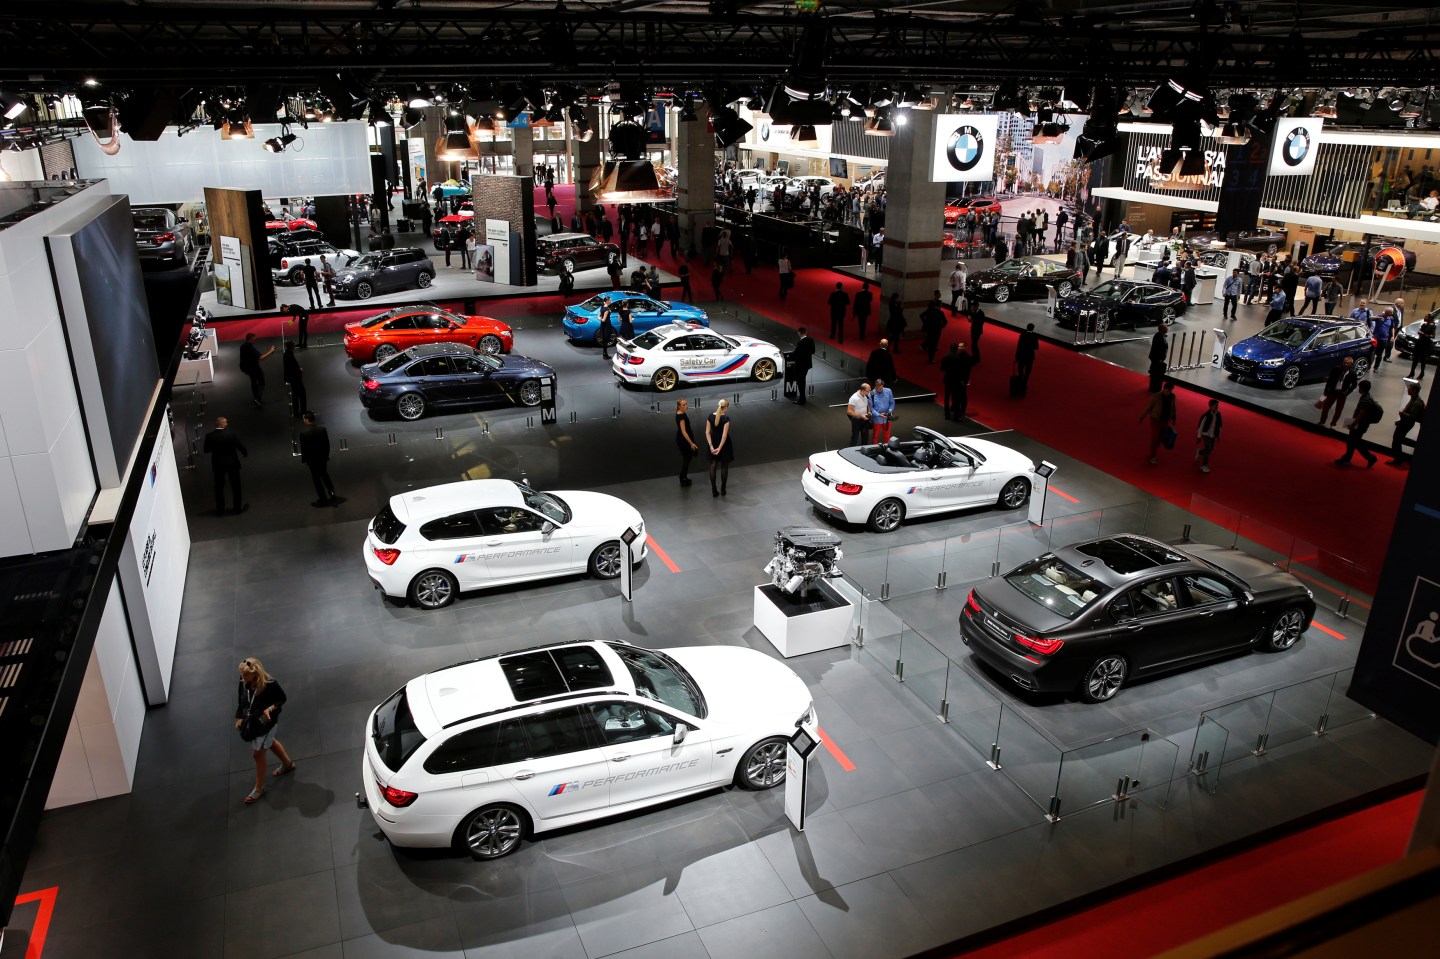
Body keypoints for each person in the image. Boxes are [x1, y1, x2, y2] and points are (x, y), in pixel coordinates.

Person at [235, 657, 296, 805]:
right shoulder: (244, 682)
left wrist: (270, 709)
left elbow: (282, 698)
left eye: (246, 674)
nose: (243, 677)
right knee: (270, 742)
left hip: (266, 722)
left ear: (255, 673)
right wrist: (241, 717)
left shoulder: (270, 684)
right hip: (253, 721)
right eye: (242, 674)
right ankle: (288, 764)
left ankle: (259, 789)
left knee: (258, 754)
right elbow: (241, 700)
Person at [203, 416, 247, 515]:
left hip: (218, 465)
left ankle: (220, 509)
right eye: (225, 422)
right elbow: (239, 446)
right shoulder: (231, 435)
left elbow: (206, 450)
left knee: (219, 488)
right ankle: (237, 508)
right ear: (221, 424)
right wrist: (244, 453)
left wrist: (216, 447)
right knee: (236, 487)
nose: (227, 424)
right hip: (232, 464)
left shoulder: (210, 436)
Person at [1335, 380, 1381, 467]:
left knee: (1353, 442)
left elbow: (1361, 414)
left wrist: (1353, 423)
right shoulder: (1367, 397)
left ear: (1362, 388)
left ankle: (1369, 458)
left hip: (1360, 424)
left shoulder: (1365, 399)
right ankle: (1349, 458)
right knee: (1354, 442)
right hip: (1362, 424)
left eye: (1359, 387)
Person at [1387, 381, 1426, 465]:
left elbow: (1412, 416)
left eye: (1410, 389)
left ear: (1414, 390)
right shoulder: (1414, 398)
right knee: (1398, 439)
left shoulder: (1416, 402)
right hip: (1405, 422)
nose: (1408, 390)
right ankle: (1399, 458)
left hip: (1407, 423)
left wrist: (1402, 413)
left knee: (1397, 440)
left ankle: (1398, 459)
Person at [1141, 380, 1178, 464]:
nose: (1168, 393)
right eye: (1167, 391)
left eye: (1170, 391)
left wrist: (1174, 418)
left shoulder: (1172, 397)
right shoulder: (1156, 396)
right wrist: (1142, 416)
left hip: (1165, 420)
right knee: (1155, 437)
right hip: (1155, 420)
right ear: (1164, 389)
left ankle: (1153, 451)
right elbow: (1148, 407)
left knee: (1160, 438)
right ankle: (1153, 456)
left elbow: (1173, 408)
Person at [238, 333, 275, 408]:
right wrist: (270, 351)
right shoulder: (251, 348)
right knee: (262, 382)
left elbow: (242, 358)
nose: (255, 340)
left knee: (253, 382)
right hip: (254, 367)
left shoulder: (242, 346)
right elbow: (261, 358)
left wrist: (244, 369)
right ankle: (257, 398)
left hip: (246, 368)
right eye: (254, 339)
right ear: (250, 339)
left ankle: (256, 397)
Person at [705, 398, 733, 497]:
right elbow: (724, 436)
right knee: (724, 466)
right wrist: (720, 448)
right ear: (726, 407)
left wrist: (711, 446)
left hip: (713, 441)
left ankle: (714, 490)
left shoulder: (710, 416)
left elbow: (707, 432)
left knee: (713, 465)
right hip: (724, 444)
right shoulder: (726, 418)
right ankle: (723, 489)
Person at [940, 341, 972, 420]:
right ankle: (956, 414)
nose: (959, 348)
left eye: (961, 346)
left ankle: (955, 413)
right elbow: (961, 370)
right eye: (959, 346)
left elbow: (967, 371)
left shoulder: (966, 358)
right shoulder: (958, 357)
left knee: (958, 397)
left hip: (953, 380)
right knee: (956, 397)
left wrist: (965, 380)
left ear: (965, 347)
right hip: (957, 381)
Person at [674, 398, 698, 486]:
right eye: (683, 405)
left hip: (684, 437)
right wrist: (691, 443)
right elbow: (684, 432)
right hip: (684, 439)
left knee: (687, 458)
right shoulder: (681, 417)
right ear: (679, 406)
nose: (686, 406)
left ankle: (683, 476)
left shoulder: (681, 413)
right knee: (687, 458)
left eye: (686, 404)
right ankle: (683, 477)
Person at [1195, 398, 1223, 473]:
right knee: (1208, 448)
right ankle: (1204, 465)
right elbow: (1201, 426)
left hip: (1213, 435)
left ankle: (1200, 452)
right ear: (1210, 406)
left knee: (1210, 449)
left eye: (1217, 406)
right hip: (1205, 434)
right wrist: (1199, 436)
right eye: (1215, 406)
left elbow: (1220, 426)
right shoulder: (1206, 415)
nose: (1217, 407)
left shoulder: (1218, 415)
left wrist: (1219, 435)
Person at [920, 293, 947, 363]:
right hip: (937, 330)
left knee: (929, 339)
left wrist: (925, 322)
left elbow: (921, 315)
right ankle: (931, 358)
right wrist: (942, 326)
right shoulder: (940, 313)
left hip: (930, 328)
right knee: (934, 344)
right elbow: (945, 321)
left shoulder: (930, 310)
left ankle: (926, 349)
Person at [791, 327, 815, 404]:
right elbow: (813, 351)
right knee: (802, 380)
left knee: (800, 382)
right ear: (806, 332)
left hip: (800, 365)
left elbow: (795, 353)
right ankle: (802, 397)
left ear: (799, 333)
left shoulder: (800, 343)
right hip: (807, 364)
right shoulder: (811, 340)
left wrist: (788, 356)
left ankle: (802, 399)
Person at [281, 341, 305, 417]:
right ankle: (302, 411)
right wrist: (299, 370)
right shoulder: (289, 355)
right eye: (294, 345)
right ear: (291, 346)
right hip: (295, 378)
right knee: (301, 394)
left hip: (291, 378)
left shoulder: (287, 353)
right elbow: (292, 367)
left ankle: (296, 412)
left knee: (295, 395)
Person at [870, 378, 896, 444]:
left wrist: (890, 411)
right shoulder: (871, 394)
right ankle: (875, 448)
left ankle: (886, 448)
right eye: (879, 388)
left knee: (887, 436)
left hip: (887, 418)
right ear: (875, 387)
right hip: (877, 419)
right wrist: (878, 414)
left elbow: (892, 402)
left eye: (881, 388)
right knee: (875, 436)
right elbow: (871, 408)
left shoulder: (888, 391)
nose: (880, 389)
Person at [1409, 314, 1435, 379]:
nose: (1424, 318)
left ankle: (1422, 373)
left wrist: (1426, 335)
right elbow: (1419, 330)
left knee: (1423, 359)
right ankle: (1412, 372)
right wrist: (1420, 332)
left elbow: (1433, 336)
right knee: (1415, 358)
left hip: (1425, 344)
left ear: (1430, 319)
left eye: (1426, 317)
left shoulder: (1432, 326)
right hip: (1419, 342)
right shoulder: (1424, 325)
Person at [846, 382, 872, 447]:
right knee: (855, 438)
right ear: (863, 390)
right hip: (856, 420)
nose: (869, 392)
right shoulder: (854, 398)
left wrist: (868, 411)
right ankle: (850, 451)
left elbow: (867, 404)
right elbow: (849, 411)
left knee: (865, 438)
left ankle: (865, 451)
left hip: (865, 419)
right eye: (868, 391)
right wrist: (860, 415)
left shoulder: (865, 396)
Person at [1147, 324, 1169, 393]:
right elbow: (1157, 349)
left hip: (1157, 358)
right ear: (1162, 329)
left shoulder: (1161, 335)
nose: (1167, 329)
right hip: (1157, 358)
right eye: (1166, 328)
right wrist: (1159, 359)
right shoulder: (1158, 336)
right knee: (1156, 373)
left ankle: (1155, 387)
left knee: (1155, 373)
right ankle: (1154, 388)